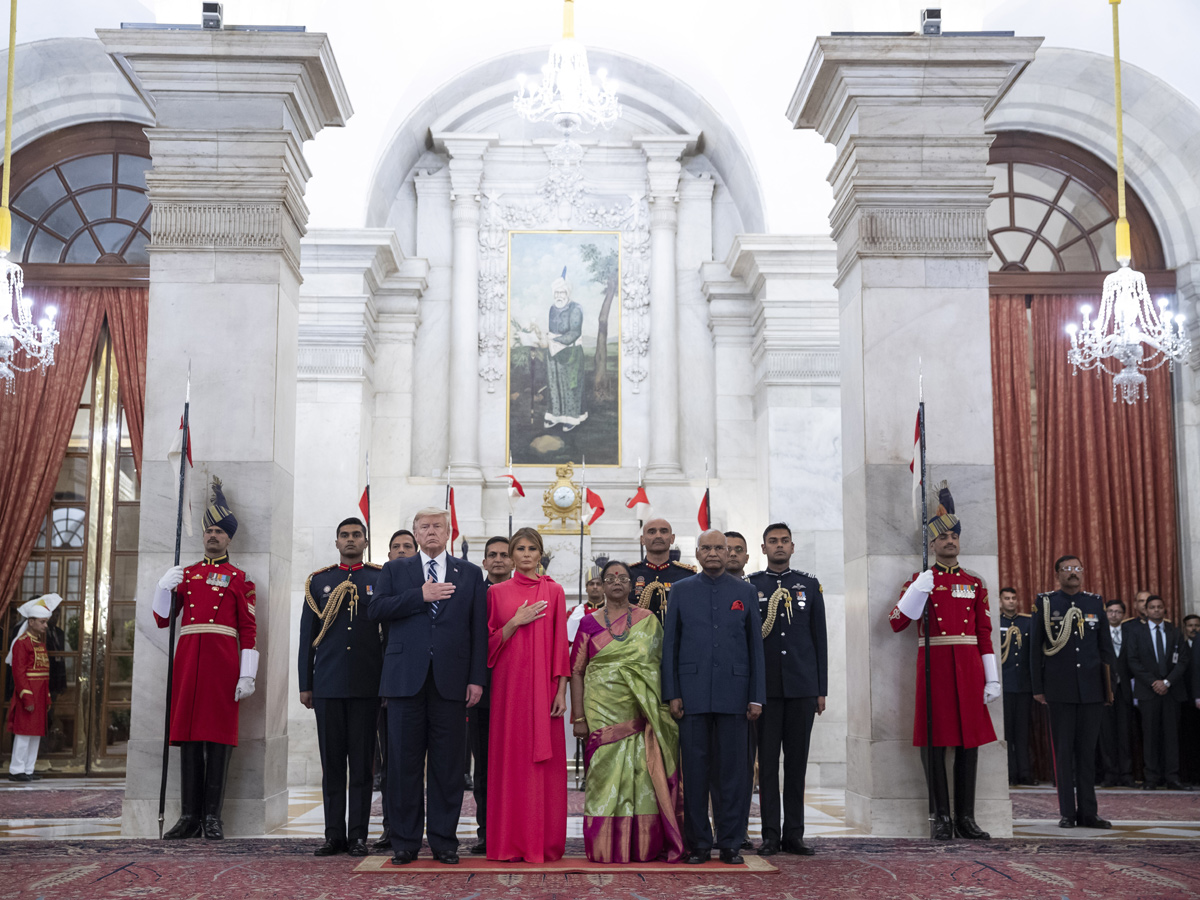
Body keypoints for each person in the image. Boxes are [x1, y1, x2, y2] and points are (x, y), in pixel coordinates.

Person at [368, 507, 487, 866]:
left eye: (438, 525)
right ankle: (404, 842)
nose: (431, 531)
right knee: (402, 764)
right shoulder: (394, 569)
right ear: (415, 533)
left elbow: (477, 630)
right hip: (405, 680)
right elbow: (376, 610)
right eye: (424, 526)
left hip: (452, 682)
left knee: (448, 767)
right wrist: (420, 596)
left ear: (448, 531)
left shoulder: (469, 573)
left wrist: (476, 678)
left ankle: (444, 842)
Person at [889, 482, 998, 841]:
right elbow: (896, 623)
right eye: (943, 537)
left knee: (969, 744)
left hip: (968, 668)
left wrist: (991, 678)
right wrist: (917, 592)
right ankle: (940, 817)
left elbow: (984, 632)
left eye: (954, 536)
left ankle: (966, 816)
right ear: (932, 544)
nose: (950, 541)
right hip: (934, 666)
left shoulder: (974, 582)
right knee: (935, 743)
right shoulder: (920, 582)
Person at [153, 478, 258, 840]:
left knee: (218, 740)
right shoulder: (187, 575)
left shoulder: (239, 579)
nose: (212, 535)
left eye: (218, 531)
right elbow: (164, 619)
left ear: (229, 538)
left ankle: (212, 817)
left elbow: (249, 629)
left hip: (222, 667)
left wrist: (248, 674)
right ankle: (189, 816)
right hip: (188, 665)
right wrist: (163, 587)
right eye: (208, 530)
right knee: (189, 740)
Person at [569, 559, 685, 863]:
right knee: (604, 771)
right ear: (603, 585)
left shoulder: (648, 620)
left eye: (622, 577)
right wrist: (579, 717)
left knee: (641, 771)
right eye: (610, 578)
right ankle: (605, 846)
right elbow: (577, 670)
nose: (616, 582)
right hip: (601, 707)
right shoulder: (589, 623)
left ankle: (642, 844)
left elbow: (662, 666)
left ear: (633, 585)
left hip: (641, 705)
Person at [661, 530, 765, 865]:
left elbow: (755, 650)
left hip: (735, 696)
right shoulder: (680, 591)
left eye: (720, 548)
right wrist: (672, 693)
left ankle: (731, 842)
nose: (714, 553)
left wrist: (756, 697)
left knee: (733, 774)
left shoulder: (745, 592)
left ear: (728, 552)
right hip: (690, 697)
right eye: (706, 548)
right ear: (697, 552)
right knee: (695, 773)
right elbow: (670, 647)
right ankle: (700, 844)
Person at [298, 517, 384, 857]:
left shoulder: (379, 579)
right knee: (332, 764)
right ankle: (334, 834)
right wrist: (306, 684)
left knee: (362, 766)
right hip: (329, 685)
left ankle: (359, 835)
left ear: (365, 541)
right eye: (344, 536)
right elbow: (308, 637)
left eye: (356, 535)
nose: (350, 540)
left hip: (367, 685)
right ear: (336, 542)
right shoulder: (320, 581)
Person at [486, 527, 570, 862]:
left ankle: (543, 842)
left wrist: (561, 691)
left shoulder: (555, 591)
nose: (524, 554)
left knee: (544, 768)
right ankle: (509, 842)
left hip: (544, 690)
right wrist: (514, 622)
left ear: (540, 554)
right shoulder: (496, 593)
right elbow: (488, 644)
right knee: (510, 763)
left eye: (531, 548)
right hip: (509, 692)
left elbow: (561, 646)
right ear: (510, 554)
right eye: (518, 548)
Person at [750, 523, 827, 857]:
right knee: (767, 765)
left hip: (801, 688)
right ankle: (769, 834)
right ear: (763, 548)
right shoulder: (751, 585)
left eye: (784, 541)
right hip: (766, 691)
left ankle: (793, 833)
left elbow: (819, 639)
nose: (779, 546)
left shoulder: (808, 585)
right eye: (772, 542)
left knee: (796, 764)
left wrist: (820, 689)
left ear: (793, 547)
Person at [1030, 554, 1115, 829]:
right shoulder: (1045, 603)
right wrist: (1038, 688)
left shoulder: (1094, 602)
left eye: (1077, 568)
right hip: (1059, 689)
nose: (1073, 572)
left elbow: (1105, 648)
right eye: (1067, 569)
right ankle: (1067, 812)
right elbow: (1035, 650)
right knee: (1064, 753)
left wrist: (1109, 687)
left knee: (1087, 753)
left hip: (1091, 689)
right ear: (1057, 574)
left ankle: (1089, 812)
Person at [371, 526, 420, 850]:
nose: (401, 551)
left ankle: (405, 828)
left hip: (409, 686)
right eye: (396, 546)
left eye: (407, 546)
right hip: (375, 684)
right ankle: (391, 826)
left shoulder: (424, 590)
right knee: (388, 765)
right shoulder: (380, 586)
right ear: (388, 555)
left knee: (404, 762)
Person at [468, 535, 515, 856]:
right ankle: (486, 833)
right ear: (483, 562)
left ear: (512, 561)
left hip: (516, 695)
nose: (498, 559)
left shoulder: (522, 595)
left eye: (503, 554)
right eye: (492, 555)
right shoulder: (473, 595)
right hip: (482, 695)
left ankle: (514, 831)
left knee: (514, 767)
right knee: (483, 768)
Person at [1127, 595, 1191, 791]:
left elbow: (1183, 660)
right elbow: (1133, 660)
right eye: (1152, 607)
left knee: (1171, 736)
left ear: (1165, 610)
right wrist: (1154, 682)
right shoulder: (1137, 633)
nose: (1156, 610)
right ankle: (1151, 778)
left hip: (1171, 692)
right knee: (1150, 736)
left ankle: (1172, 777)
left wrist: (1167, 682)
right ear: (1145, 611)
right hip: (1148, 691)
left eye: (1159, 607)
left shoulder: (1175, 632)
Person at [5, 593, 61, 781]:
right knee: (23, 733)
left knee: (36, 733)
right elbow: (19, 673)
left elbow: (44, 675)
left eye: (46, 622)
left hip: (39, 695)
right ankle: (16, 769)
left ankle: (28, 769)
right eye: (43, 622)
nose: (46, 625)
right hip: (26, 695)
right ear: (31, 622)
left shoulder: (39, 644)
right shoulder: (22, 644)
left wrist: (46, 697)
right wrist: (26, 696)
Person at [998, 587, 1035, 786]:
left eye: (1014, 598)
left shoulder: (1027, 622)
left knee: (1022, 732)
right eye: (1007, 598)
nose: (1011, 602)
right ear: (1000, 601)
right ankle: (1009, 773)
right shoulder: (997, 623)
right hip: (1005, 684)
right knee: (1007, 734)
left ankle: (1025, 773)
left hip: (1023, 685)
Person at [629, 519, 696, 626]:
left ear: (672, 538)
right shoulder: (629, 574)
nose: (658, 536)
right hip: (638, 639)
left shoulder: (687, 575)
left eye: (664, 531)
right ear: (642, 540)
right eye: (652, 532)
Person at [1099, 599, 1136, 787]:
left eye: (1118, 612)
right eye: (1110, 611)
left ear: (1124, 614)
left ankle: (1126, 773)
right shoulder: (1099, 633)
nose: (1114, 615)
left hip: (1125, 690)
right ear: (1105, 614)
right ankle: (1110, 773)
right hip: (1105, 690)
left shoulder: (1131, 633)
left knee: (1125, 733)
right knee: (1106, 734)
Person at [1183, 614, 1200, 785]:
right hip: (1186, 701)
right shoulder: (1181, 645)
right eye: (1190, 625)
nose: (1194, 629)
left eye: (1197, 625)